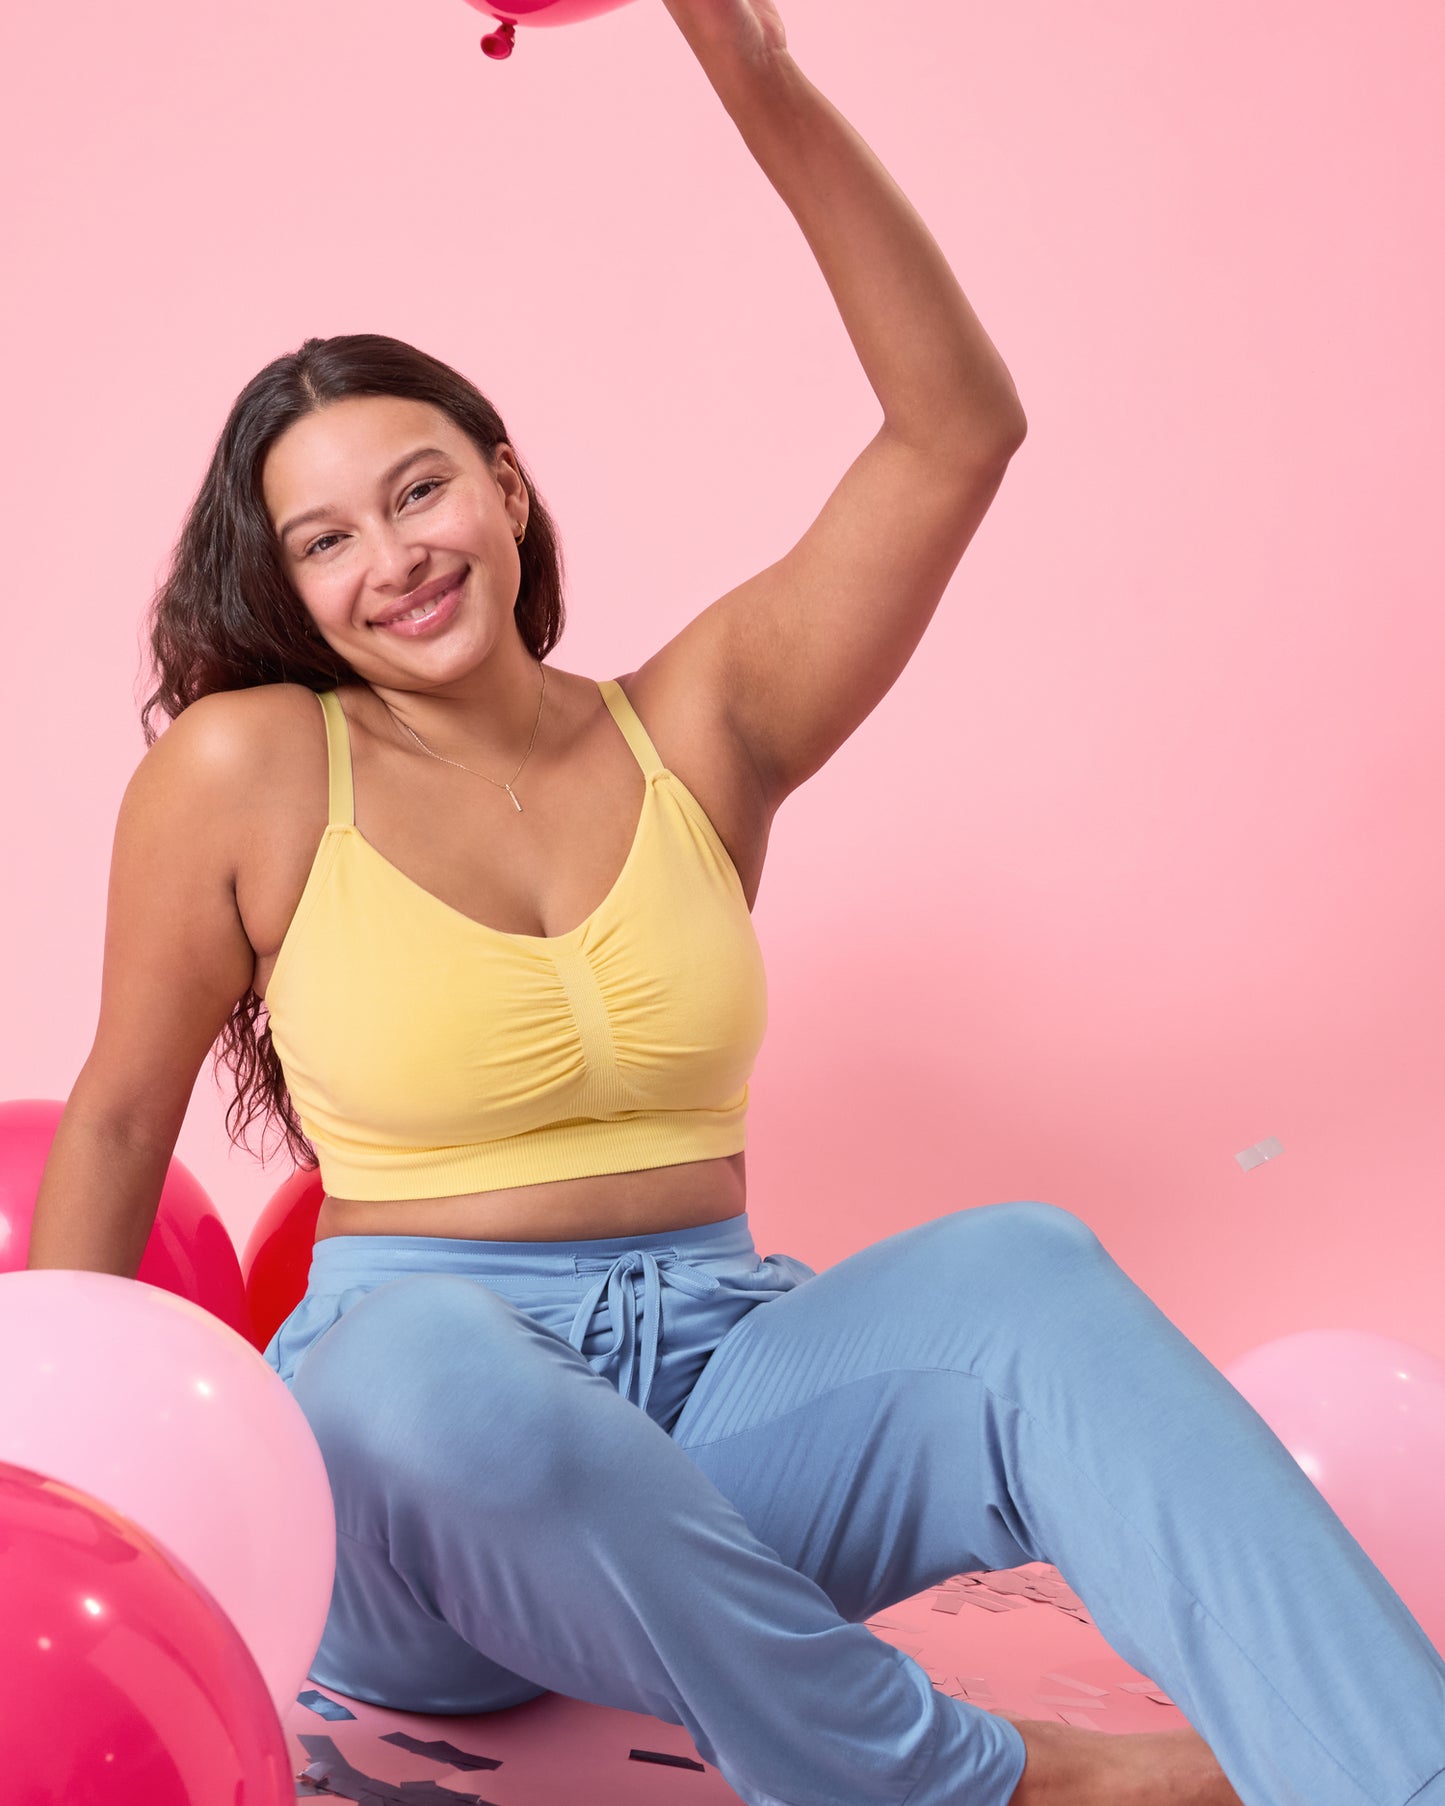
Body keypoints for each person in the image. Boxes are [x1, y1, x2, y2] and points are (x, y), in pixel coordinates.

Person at [28, 4, 1445, 1804]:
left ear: (505, 482)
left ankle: (1395, 1775)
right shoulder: (249, 767)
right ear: (293, 593)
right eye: (325, 540)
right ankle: (988, 1777)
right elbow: (130, 1114)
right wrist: (71, 1495)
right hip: (424, 1487)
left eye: (418, 486)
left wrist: (744, 61)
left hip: (723, 1401)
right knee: (415, 1367)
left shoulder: (700, 724)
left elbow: (954, 429)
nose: (392, 557)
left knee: (1023, 1268)